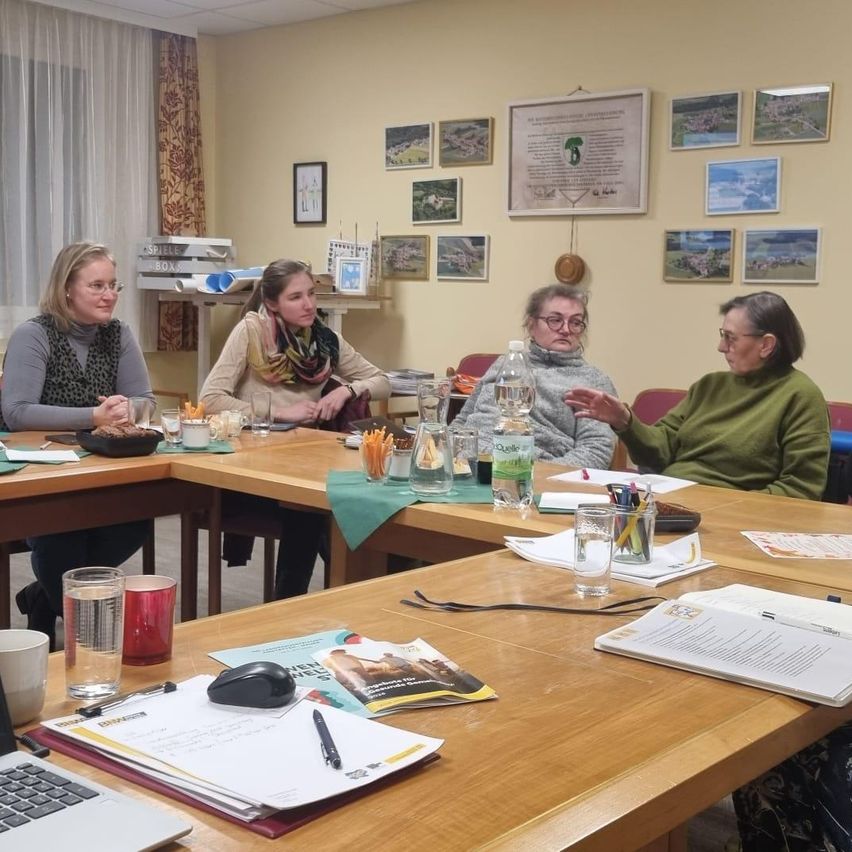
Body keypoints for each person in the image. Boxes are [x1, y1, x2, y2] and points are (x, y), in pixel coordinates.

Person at [200, 258, 390, 598]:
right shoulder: (251, 332)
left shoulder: (325, 340)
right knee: (311, 511)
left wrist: (348, 389)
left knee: (354, 501)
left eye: (311, 294)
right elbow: (211, 399)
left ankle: (363, 591)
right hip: (251, 463)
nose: (308, 305)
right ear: (272, 302)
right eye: (295, 297)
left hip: (306, 459)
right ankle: (298, 603)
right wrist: (278, 413)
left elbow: (382, 380)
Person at [0, 241, 154, 648]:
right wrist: (93, 416)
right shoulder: (34, 335)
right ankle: (88, 639)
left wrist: (126, 407)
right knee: (61, 535)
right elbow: (16, 411)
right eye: (97, 286)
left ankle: (44, 599)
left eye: (114, 286)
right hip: (41, 468)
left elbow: (146, 401)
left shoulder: (119, 335)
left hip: (102, 465)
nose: (109, 296)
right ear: (67, 288)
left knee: (135, 520)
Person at [564, 291, 830, 500]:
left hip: (727, 514)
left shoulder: (800, 396)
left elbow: (801, 490)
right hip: (668, 498)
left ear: (767, 344)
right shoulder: (709, 385)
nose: (721, 346)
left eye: (731, 338)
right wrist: (624, 420)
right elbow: (660, 451)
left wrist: (723, 506)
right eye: (722, 335)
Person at [452, 283, 617, 469]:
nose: (565, 329)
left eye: (575, 322)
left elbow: (595, 451)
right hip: (464, 467)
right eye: (555, 320)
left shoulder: (592, 381)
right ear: (531, 325)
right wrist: (441, 453)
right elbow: (462, 421)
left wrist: (538, 475)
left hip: (525, 475)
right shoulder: (504, 364)